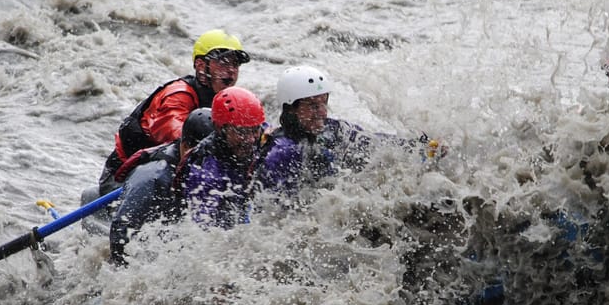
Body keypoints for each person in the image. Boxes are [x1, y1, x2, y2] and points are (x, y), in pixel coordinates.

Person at [255, 65, 442, 202]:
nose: (321, 112)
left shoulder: (332, 129)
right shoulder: (279, 154)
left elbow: (374, 142)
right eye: (312, 105)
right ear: (291, 109)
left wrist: (418, 146)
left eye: (323, 103)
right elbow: (276, 214)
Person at [97, 29, 250, 196]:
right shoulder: (178, 95)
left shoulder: (229, 101)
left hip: (170, 170)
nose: (231, 71)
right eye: (223, 63)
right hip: (122, 179)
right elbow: (179, 137)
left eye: (235, 64)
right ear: (200, 66)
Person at [108, 108, 214, 266]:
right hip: (139, 220)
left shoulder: (211, 164)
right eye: (203, 156)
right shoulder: (152, 176)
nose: (207, 163)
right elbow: (121, 230)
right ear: (185, 146)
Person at [176, 87, 266, 229]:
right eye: (241, 131)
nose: (249, 139)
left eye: (254, 130)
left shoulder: (258, 132)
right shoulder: (206, 175)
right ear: (219, 129)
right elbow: (204, 235)